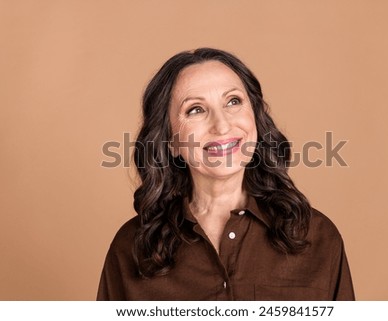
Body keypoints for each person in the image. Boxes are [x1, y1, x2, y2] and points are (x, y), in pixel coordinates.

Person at [97, 48, 355, 300]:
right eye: (195, 109)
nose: (222, 126)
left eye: (233, 101)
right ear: (170, 141)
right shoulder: (131, 248)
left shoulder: (317, 236)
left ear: (255, 117)